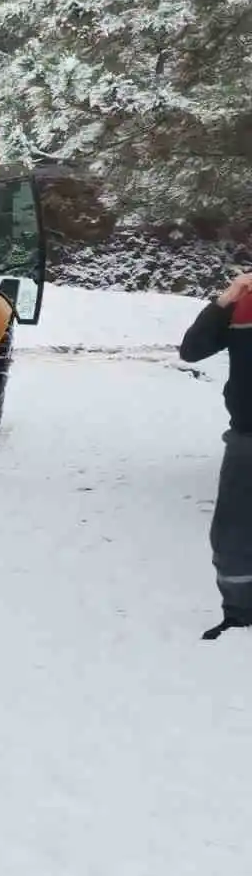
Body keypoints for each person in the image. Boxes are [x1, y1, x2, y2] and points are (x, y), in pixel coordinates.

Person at [179, 272, 252, 639]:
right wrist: (226, 300)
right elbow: (191, 350)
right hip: (247, 438)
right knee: (232, 534)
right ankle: (239, 614)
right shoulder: (245, 305)